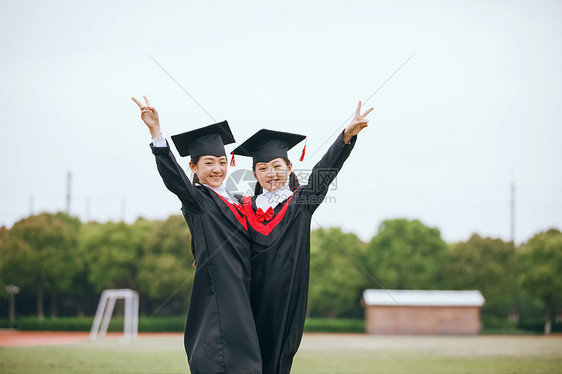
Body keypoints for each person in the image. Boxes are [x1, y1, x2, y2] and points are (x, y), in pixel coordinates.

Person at [232, 100, 372, 374]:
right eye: (263, 168)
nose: (270, 173)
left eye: (276, 166)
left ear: (289, 166)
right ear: (254, 173)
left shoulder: (301, 203)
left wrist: (346, 137)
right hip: (248, 301)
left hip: (286, 304)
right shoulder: (243, 208)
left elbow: (325, 171)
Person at [132, 95, 262, 374]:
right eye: (208, 163)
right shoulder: (200, 201)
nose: (217, 169)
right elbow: (174, 180)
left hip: (244, 288)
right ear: (194, 168)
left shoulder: (240, 200)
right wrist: (156, 133)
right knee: (220, 358)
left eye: (221, 162)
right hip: (220, 291)